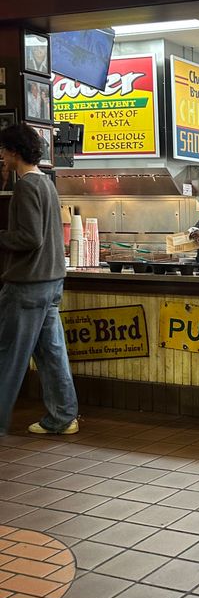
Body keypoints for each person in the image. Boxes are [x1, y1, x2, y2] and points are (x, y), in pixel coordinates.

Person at [0, 124, 79, 436]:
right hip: (51, 282)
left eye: (4, 149)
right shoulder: (46, 183)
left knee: (7, 354)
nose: (2, 156)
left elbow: (29, 238)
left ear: (15, 151)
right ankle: (62, 416)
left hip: (28, 284)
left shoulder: (26, 187)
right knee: (51, 353)